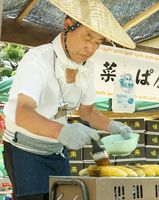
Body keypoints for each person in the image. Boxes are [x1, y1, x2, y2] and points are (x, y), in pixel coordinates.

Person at [2, 0, 136, 199]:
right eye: (87, 37)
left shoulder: (87, 67)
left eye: (98, 42)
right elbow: (22, 112)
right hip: (25, 149)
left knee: (64, 195)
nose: (90, 48)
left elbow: (87, 111)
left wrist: (113, 126)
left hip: (57, 150)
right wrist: (62, 130)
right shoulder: (38, 59)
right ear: (67, 26)